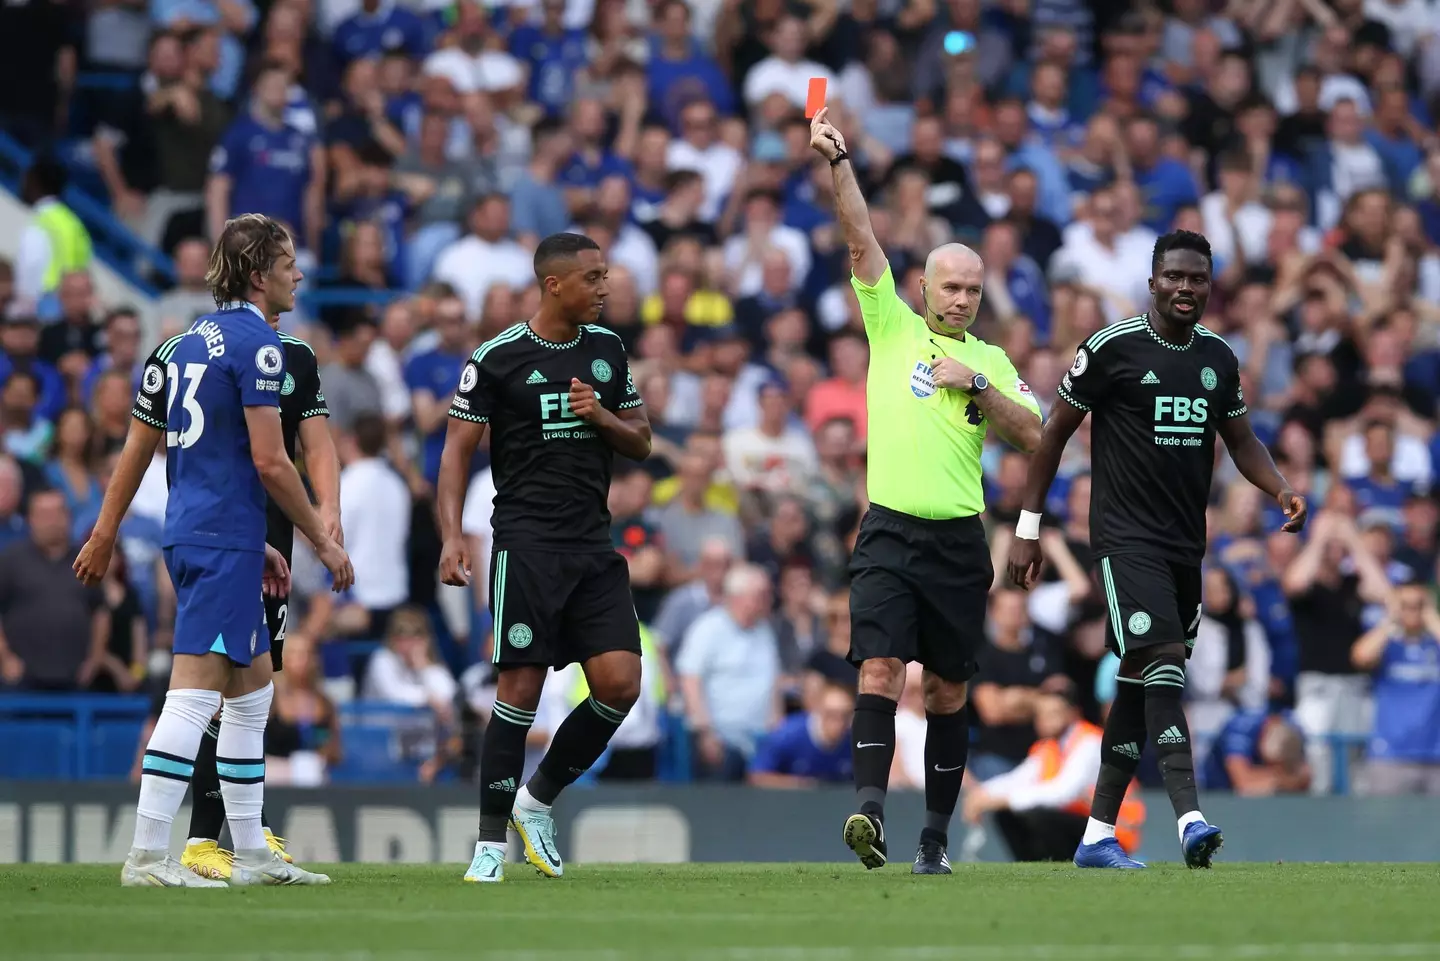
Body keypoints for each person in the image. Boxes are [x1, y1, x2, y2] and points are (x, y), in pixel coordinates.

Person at [1006, 229, 1308, 870]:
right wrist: (1029, 527)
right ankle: (1191, 818)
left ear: (1209, 285)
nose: (1185, 288)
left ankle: (1095, 836)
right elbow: (1053, 434)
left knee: (1141, 686)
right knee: (1166, 661)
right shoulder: (1110, 348)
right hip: (1122, 542)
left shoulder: (1219, 359)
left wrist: (1279, 486)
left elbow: (1242, 439)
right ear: (1153, 280)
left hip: (1184, 549)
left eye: (1197, 279)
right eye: (1174, 276)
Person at [73, 214, 352, 887]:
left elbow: (158, 452)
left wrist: (107, 531)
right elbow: (270, 459)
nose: (299, 275)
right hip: (221, 535)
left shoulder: (177, 345)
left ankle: (250, 850)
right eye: (289, 264)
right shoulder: (260, 344)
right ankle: (146, 854)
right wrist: (321, 537)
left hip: (210, 529)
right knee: (194, 696)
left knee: (253, 692)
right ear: (260, 274)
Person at [808, 108, 1044, 875]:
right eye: (951, 286)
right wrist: (838, 162)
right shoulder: (893, 326)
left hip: (957, 540)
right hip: (888, 530)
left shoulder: (993, 361)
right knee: (878, 669)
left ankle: (934, 842)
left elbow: (1035, 434)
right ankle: (869, 812)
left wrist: (974, 380)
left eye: (973, 288)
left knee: (945, 690)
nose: (962, 298)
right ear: (923, 286)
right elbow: (859, 236)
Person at [436, 232, 651, 884]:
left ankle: (536, 802)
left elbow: (640, 440)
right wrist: (451, 535)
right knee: (519, 692)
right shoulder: (498, 358)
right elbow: (453, 455)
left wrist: (600, 418)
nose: (605, 286)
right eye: (592, 277)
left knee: (621, 683)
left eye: (606, 274)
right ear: (553, 284)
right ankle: (487, 844)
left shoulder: (608, 351)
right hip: (526, 547)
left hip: (592, 545)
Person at [962, 681, 1145, 862]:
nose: (1046, 720)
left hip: (1113, 830)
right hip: (1080, 823)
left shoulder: (1089, 742)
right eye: (1041, 715)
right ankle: (1033, 867)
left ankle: (1064, 864)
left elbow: (1063, 792)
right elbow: (1018, 779)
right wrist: (981, 795)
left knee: (1037, 815)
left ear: (1072, 714)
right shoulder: (1049, 746)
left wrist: (1001, 800)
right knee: (1006, 814)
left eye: (1054, 714)